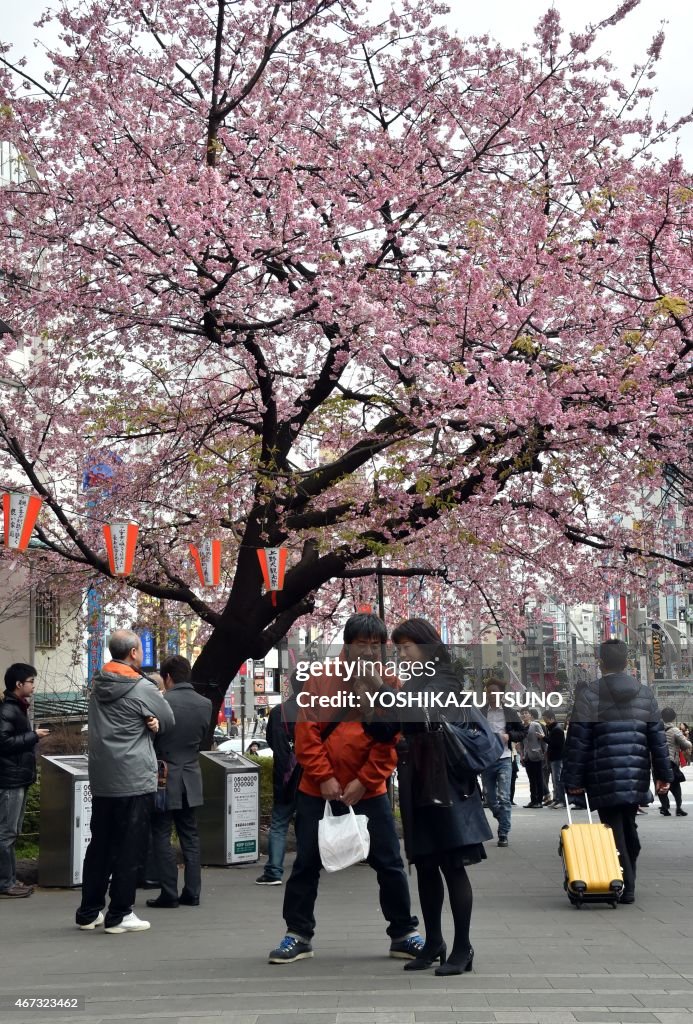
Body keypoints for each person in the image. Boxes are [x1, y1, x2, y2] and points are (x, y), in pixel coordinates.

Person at [268, 613, 422, 964]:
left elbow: (391, 742)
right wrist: (324, 777)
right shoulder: (322, 680)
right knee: (306, 863)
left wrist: (364, 780)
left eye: (375, 645)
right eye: (361, 644)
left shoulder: (390, 684)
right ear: (348, 644)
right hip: (316, 789)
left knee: (390, 864)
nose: (369, 652)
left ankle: (403, 932)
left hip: (369, 791)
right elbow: (306, 735)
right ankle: (298, 934)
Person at [370, 618, 493, 976]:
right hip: (419, 780)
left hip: (448, 785)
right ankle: (435, 941)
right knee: (425, 865)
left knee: (452, 865)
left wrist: (381, 688)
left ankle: (463, 947)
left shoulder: (445, 679)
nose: (402, 654)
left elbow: (416, 709)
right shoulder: (413, 683)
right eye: (399, 649)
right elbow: (386, 729)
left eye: (406, 647)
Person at [75, 629, 174, 933]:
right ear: (133, 653)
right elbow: (168, 719)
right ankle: (120, 913)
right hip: (133, 776)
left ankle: (89, 912)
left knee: (100, 845)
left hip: (103, 777)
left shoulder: (97, 683)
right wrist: (152, 723)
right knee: (130, 846)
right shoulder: (141, 686)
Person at [562, 639, 672, 904]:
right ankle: (628, 874)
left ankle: (627, 884)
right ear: (627, 663)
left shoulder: (589, 694)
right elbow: (657, 738)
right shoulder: (645, 693)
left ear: (600, 663)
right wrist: (663, 774)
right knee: (628, 824)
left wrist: (573, 780)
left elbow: (578, 740)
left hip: (603, 772)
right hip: (635, 772)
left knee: (612, 828)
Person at [147, 655, 211, 909]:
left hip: (164, 775)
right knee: (190, 835)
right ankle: (192, 891)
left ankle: (168, 892)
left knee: (161, 833)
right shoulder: (205, 704)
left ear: (168, 677)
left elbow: (152, 738)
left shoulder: (162, 702)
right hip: (191, 774)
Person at [0, 664, 49, 898]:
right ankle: (5, 883)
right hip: (10, 780)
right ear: (18, 684)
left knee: (11, 832)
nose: (33, 685)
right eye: (30, 681)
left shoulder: (17, 707)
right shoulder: (8, 710)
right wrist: (33, 736)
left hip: (17, 778)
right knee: (6, 833)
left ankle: (9, 880)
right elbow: (4, 743)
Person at [257, 673, 302, 886]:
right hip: (311, 776)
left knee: (279, 824)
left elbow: (272, 741)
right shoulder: (320, 710)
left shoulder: (279, 712)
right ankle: (307, 864)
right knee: (308, 822)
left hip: (285, 776)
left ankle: (274, 871)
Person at [480, 679, 524, 846]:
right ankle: (502, 817)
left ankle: (503, 832)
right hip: (487, 760)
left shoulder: (510, 713)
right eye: (489, 691)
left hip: (504, 758)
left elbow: (522, 732)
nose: (491, 695)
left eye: (494, 691)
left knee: (504, 797)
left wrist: (509, 736)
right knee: (490, 799)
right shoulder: (481, 712)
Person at [658, 708, 691, 817]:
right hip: (671, 761)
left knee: (662, 784)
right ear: (673, 717)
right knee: (675, 785)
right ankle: (678, 808)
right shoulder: (675, 730)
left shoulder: (657, 730)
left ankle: (665, 807)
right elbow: (686, 744)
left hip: (658, 761)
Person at [519, 708, 546, 808]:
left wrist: (544, 752)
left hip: (537, 755)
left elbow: (542, 739)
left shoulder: (535, 725)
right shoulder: (521, 727)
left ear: (530, 715)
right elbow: (521, 743)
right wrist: (521, 755)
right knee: (531, 779)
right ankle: (533, 800)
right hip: (527, 756)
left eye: (526, 713)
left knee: (538, 778)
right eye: (522, 714)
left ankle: (539, 801)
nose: (524, 715)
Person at [543, 710, 565, 808]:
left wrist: (543, 738)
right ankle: (556, 799)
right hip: (553, 758)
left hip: (557, 758)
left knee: (558, 780)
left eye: (546, 719)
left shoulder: (557, 730)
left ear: (551, 718)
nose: (545, 721)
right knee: (554, 780)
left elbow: (556, 744)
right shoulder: (552, 729)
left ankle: (561, 800)